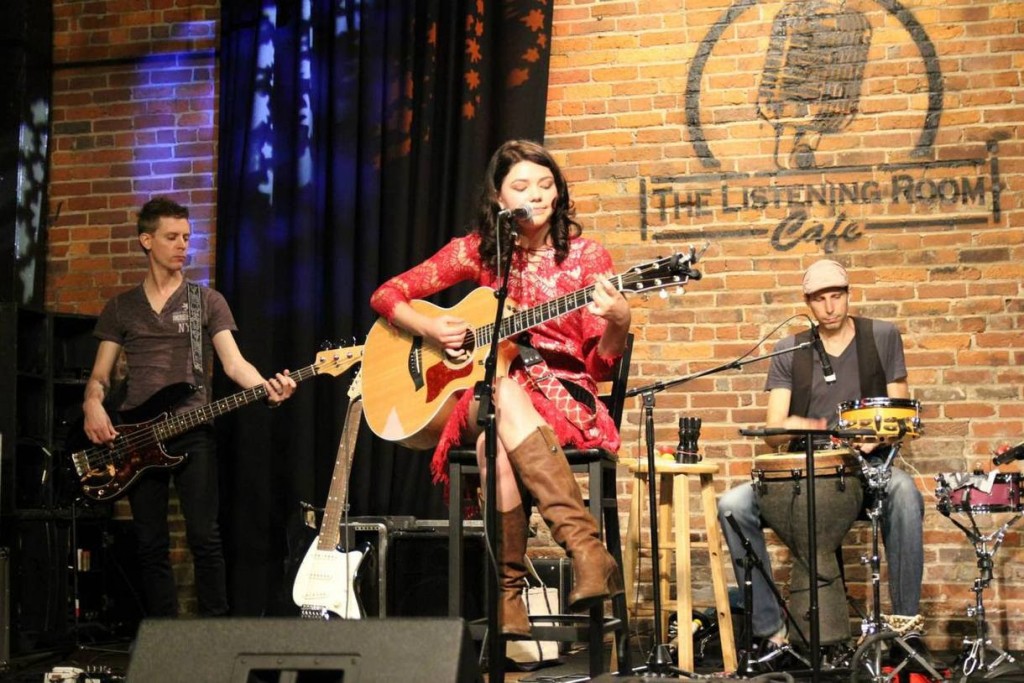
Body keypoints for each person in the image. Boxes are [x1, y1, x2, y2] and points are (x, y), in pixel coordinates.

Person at [369, 139, 630, 639]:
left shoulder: (587, 258)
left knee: (495, 444)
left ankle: (509, 596)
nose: (536, 194)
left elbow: (600, 364)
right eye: (521, 186)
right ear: (499, 199)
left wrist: (619, 322)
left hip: (561, 394)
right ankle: (589, 553)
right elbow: (387, 294)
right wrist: (429, 330)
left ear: (559, 193)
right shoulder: (479, 251)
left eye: (545, 183)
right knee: (504, 390)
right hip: (484, 393)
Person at [717, 259, 944, 671]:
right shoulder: (790, 349)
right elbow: (773, 430)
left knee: (905, 493)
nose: (829, 307)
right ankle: (773, 632)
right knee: (732, 504)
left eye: (836, 295)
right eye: (819, 299)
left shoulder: (881, 336)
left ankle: (906, 630)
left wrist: (882, 433)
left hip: (863, 469)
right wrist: (797, 426)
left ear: (847, 294)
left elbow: (900, 415)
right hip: (805, 471)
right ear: (807, 303)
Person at [82, 197, 297, 617]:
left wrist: (266, 387)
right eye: (171, 237)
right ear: (147, 241)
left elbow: (234, 364)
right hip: (138, 434)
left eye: (186, 236)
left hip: (193, 429)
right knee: (150, 542)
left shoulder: (206, 301)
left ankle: (214, 633)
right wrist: (93, 403)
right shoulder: (121, 307)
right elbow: (100, 377)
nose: (182, 245)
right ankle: (163, 636)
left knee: (206, 537)